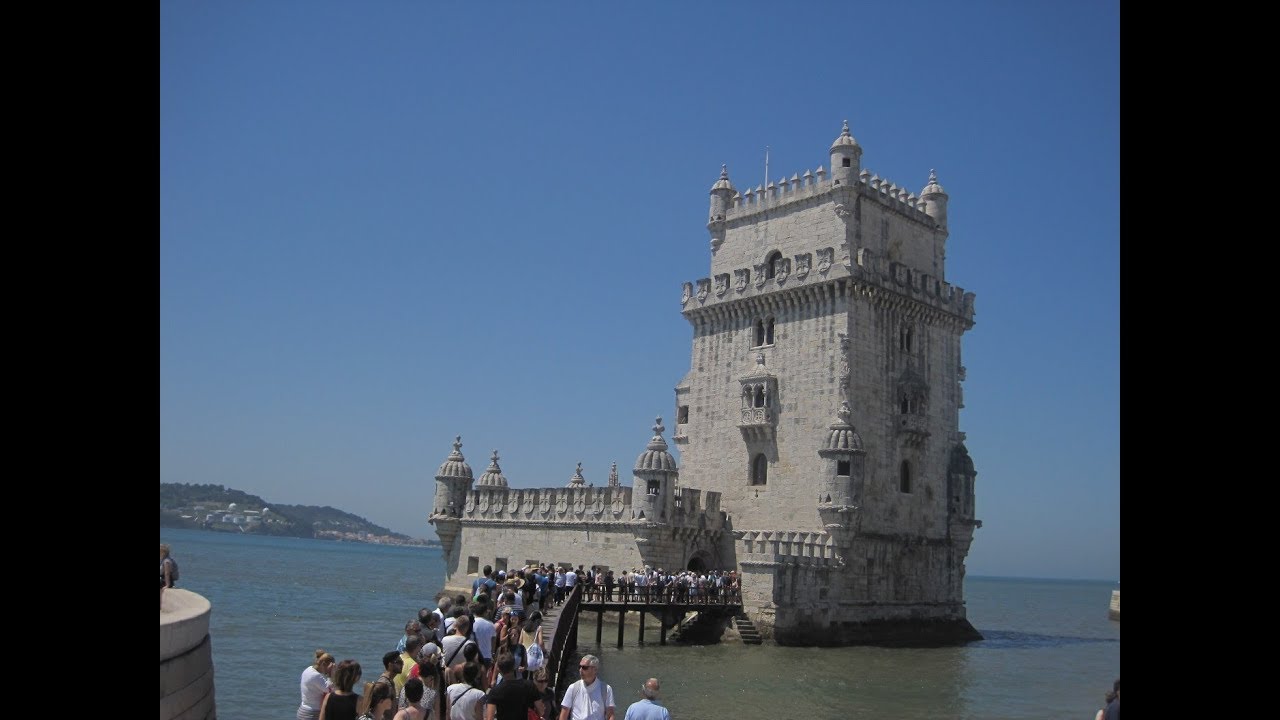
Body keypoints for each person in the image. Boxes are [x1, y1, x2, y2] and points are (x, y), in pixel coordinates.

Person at [483, 654, 544, 720]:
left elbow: (489, 718)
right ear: (514, 667)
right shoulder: (529, 685)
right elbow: (541, 710)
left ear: (499, 669)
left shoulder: (495, 691)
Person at [558, 654, 614, 720]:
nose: (580, 670)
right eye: (579, 667)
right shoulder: (573, 688)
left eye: (584, 667)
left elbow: (610, 715)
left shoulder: (606, 689)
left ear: (595, 669)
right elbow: (564, 714)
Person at [299, 650, 336, 720]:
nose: (330, 670)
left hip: (304, 710)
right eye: (330, 668)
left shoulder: (308, 670)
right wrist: (331, 675)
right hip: (312, 714)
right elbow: (331, 691)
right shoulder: (316, 676)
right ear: (323, 664)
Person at [160, 543, 177, 608]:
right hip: (163, 579)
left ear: (163, 552)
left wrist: (167, 585)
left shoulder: (166, 561)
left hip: (166, 580)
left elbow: (167, 573)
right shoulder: (165, 559)